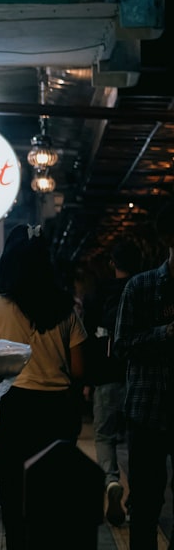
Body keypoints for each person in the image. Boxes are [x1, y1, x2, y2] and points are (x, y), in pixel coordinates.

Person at [0, 224, 86, 550]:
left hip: (13, 408)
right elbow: (79, 369)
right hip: (57, 409)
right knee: (51, 501)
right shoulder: (65, 307)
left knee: (13, 498)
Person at [113, 203, 174, 550]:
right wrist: (163, 333)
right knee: (147, 502)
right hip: (148, 411)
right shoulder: (142, 286)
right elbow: (122, 345)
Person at [82, 239, 141, 526]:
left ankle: (111, 480)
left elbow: (89, 340)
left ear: (113, 264)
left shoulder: (99, 294)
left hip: (105, 376)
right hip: (139, 377)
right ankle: (138, 493)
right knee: (136, 437)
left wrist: (88, 380)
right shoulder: (146, 290)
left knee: (104, 435)